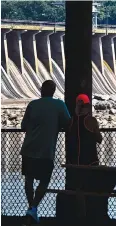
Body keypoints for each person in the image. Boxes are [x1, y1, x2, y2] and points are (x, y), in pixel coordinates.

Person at [20, 80, 70, 223]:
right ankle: (33, 208)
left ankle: (31, 208)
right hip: (46, 150)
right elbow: (68, 123)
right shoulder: (59, 105)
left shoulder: (32, 105)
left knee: (28, 180)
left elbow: (23, 125)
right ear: (54, 91)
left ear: (41, 90)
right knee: (45, 180)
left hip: (28, 148)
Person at [67, 93, 102, 166]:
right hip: (90, 161)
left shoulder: (71, 121)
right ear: (88, 107)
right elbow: (99, 139)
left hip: (73, 162)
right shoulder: (91, 120)